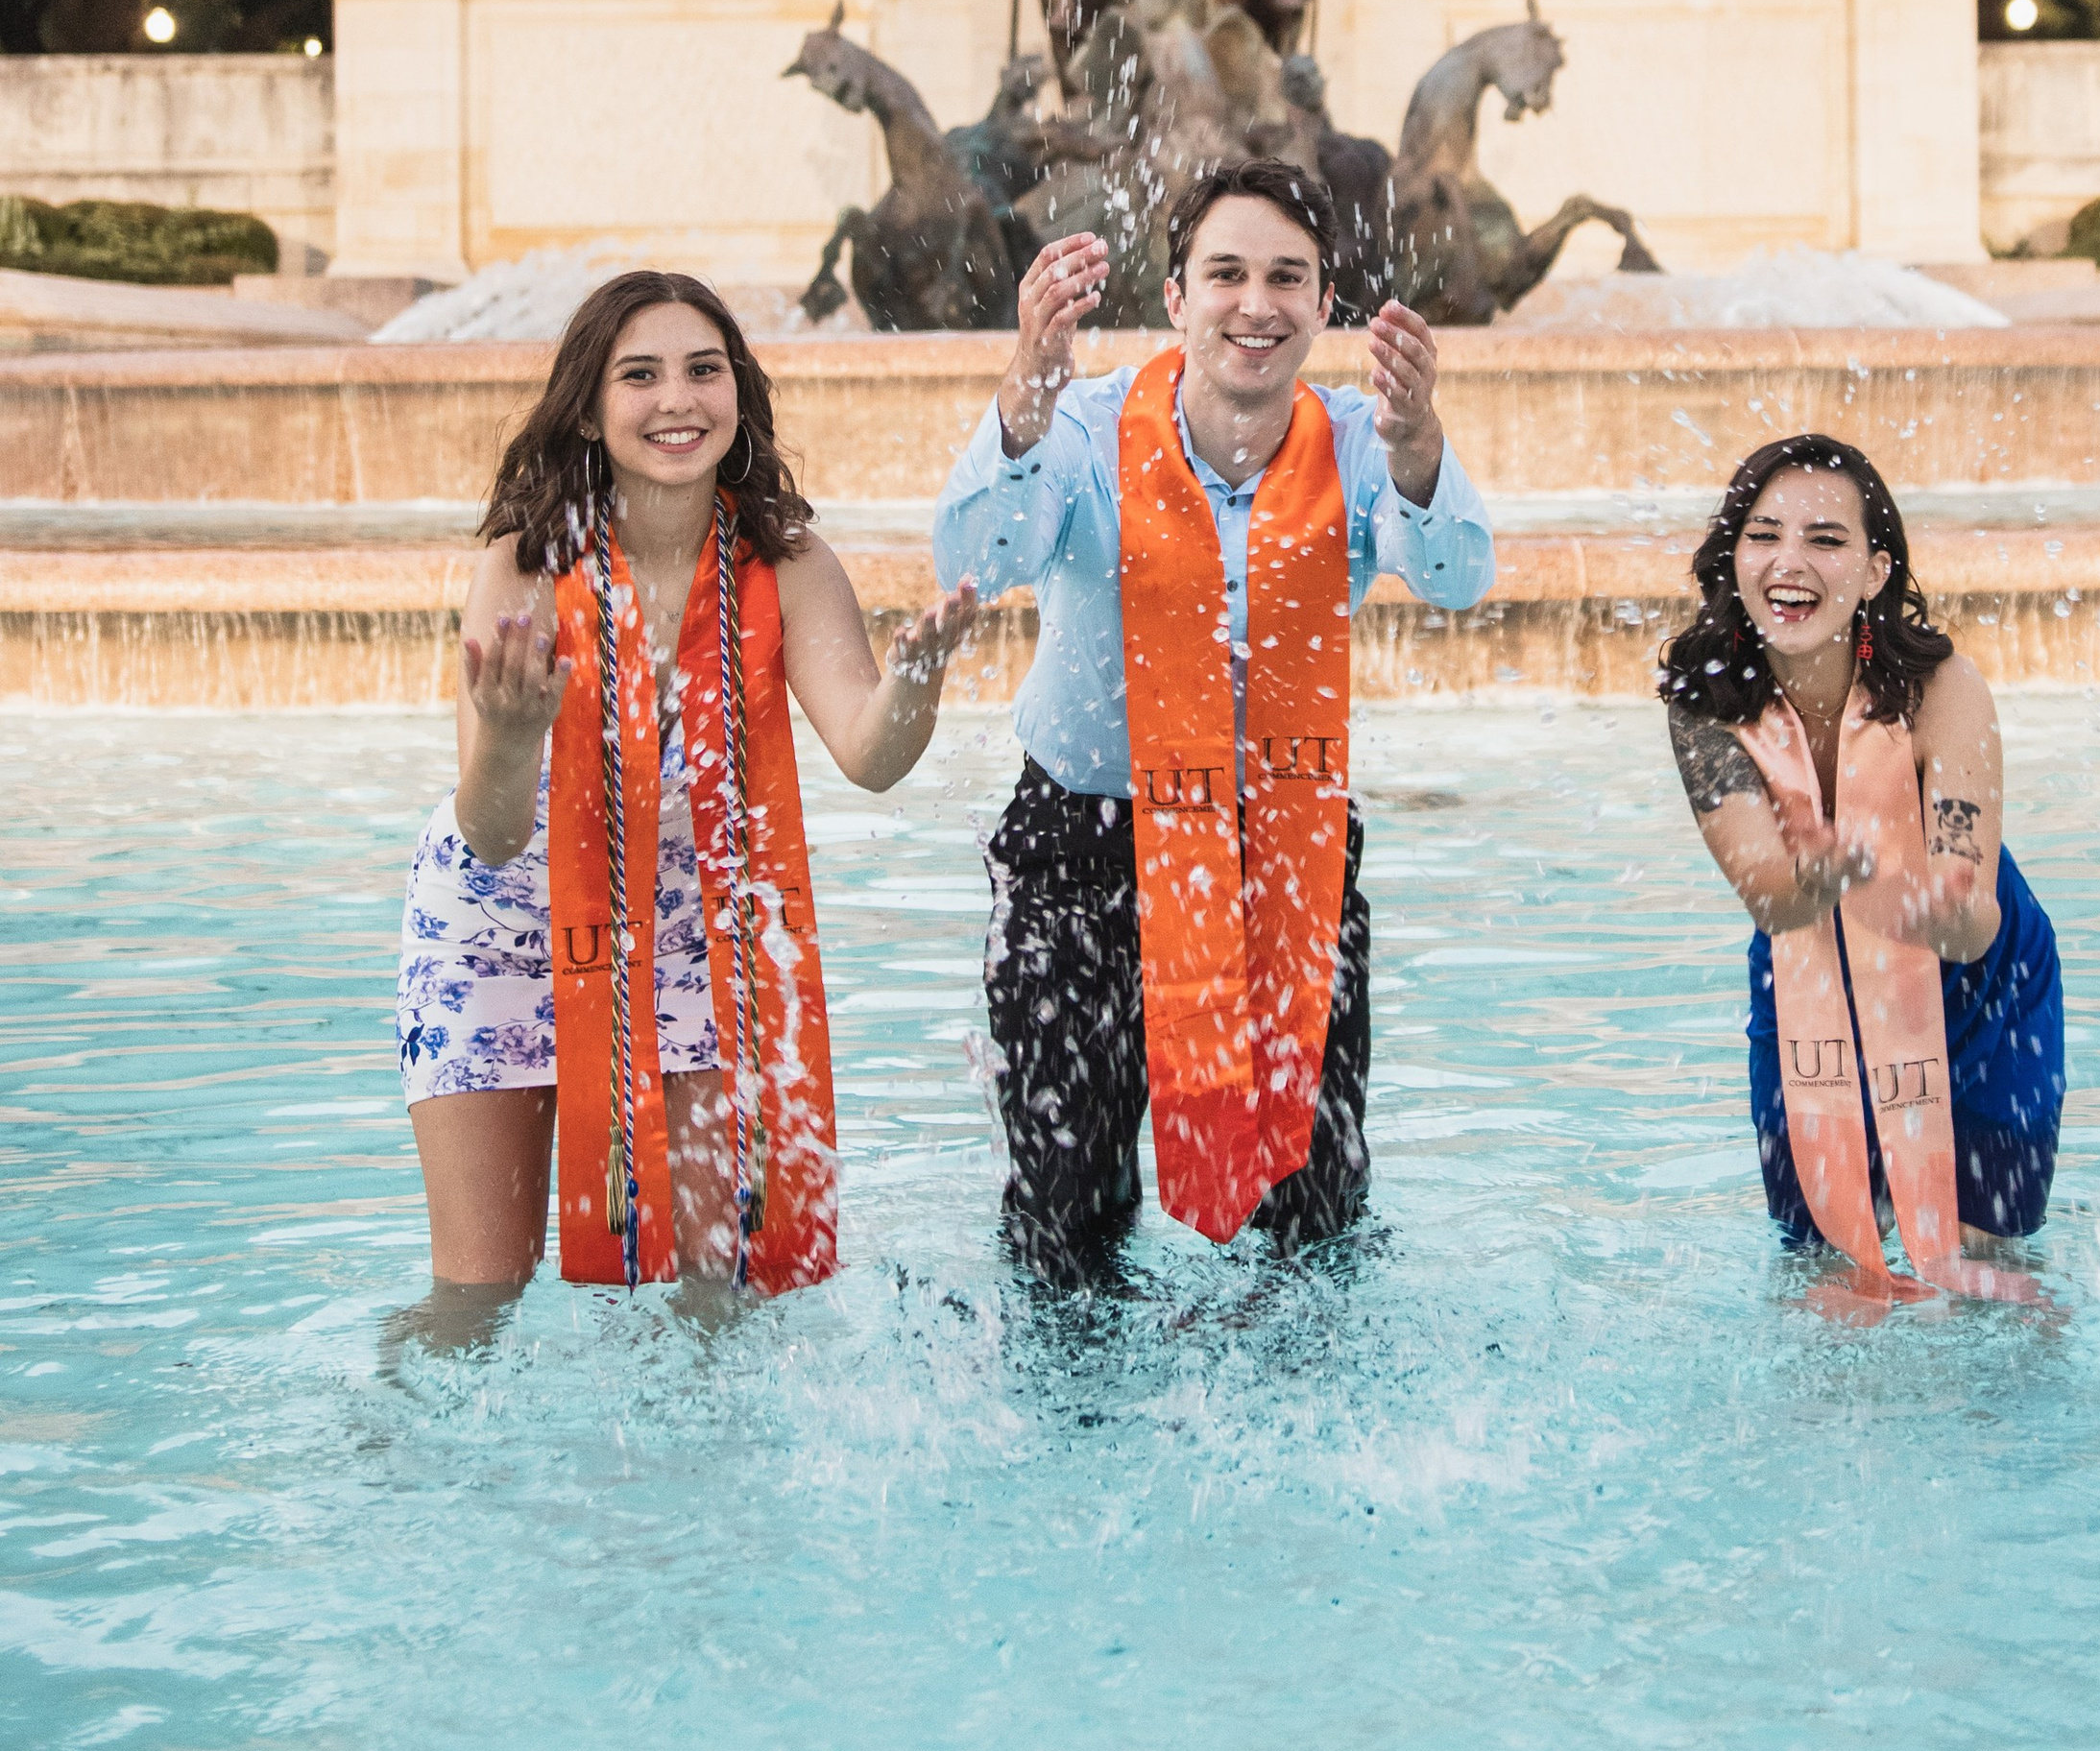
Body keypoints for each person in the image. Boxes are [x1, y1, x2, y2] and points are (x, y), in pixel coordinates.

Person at [933, 159, 1495, 1283]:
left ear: (1324, 304)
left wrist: (1419, 440)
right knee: (1064, 1216)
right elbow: (976, 558)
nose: (1256, 304)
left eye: (1287, 277)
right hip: (1082, 847)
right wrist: (1025, 388)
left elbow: (1456, 578)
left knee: (1313, 1218)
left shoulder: (1359, 437)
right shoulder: (1087, 426)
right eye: (1226, 273)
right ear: (1175, 295)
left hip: (1284, 846)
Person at [396, 271, 976, 1312]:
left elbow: (869, 752)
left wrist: (916, 683)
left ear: (738, 393)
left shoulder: (787, 564)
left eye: (705, 370)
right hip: (499, 930)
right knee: (478, 1296)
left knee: (720, 1290)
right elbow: (490, 831)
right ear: (588, 407)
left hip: (693, 931)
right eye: (640, 375)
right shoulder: (526, 568)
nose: (678, 399)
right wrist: (514, 737)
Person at [1659, 433, 2064, 1288]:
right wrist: (1818, 876)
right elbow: (1771, 899)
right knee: (1828, 1270)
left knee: (1982, 1270)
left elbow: (1972, 918)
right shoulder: (1705, 701)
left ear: (1877, 571)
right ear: (1733, 556)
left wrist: (1938, 908)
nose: (1788, 561)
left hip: (1978, 984)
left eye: (1826, 539)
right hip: (1808, 964)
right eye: (1763, 534)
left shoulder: (1942, 687)